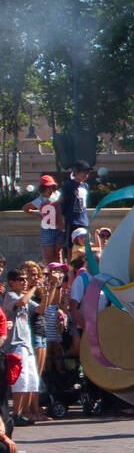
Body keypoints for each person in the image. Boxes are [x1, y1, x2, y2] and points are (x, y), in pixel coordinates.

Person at [3, 269, 44, 424]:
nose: (25, 281)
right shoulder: (10, 296)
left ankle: (20, 413)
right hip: (16, 344)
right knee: (20, 380)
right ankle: (15, 414)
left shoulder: (23, 296)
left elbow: (41, 309)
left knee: (31, 380)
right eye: (21, 279)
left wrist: (49, 290)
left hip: (26, 344)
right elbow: (22, 303)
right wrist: (34, 288)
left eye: (26, 279)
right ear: (12, 282)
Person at [57, 160, 92, 260]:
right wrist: (60, 220)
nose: (85, 175)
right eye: (83, 172)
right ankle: (70, 266)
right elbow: (60, 201)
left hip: (83, 220)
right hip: (72, 220)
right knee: (70, 245)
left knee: (85, 244)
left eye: (87, 172)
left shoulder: (85, 186)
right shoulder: (69, 184)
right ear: (76, 172)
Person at [24, 175, 62, 264]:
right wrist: (38, 215)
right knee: (49, 255)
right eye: (47, 187)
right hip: (47, 230)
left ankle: (59, 273)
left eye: (52, 187)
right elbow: (26, 208)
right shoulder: (39, 200)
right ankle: (50, 274)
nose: (50, 190)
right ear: (42, 188)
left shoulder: (58, 196)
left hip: (59, 228)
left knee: (58, 254)